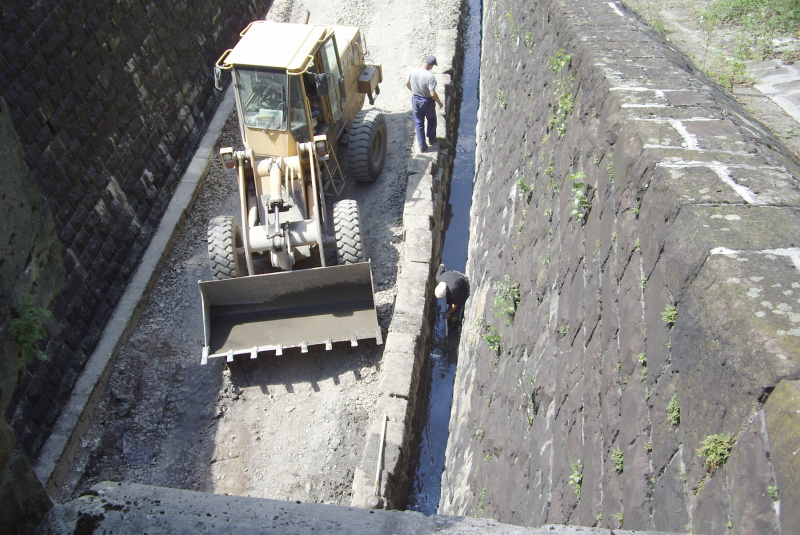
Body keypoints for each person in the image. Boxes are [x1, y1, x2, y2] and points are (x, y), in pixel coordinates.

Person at [405, 55, 444, 153]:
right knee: (431, 119)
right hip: (426, 101)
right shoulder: (430, 76)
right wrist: (439, 103)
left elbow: (407, 83)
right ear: (431, 65)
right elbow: (433, 94)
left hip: (415, 99)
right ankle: (431, 138)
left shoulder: (413, 71)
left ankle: (422, 145)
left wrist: (413, 91)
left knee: (418, 123)